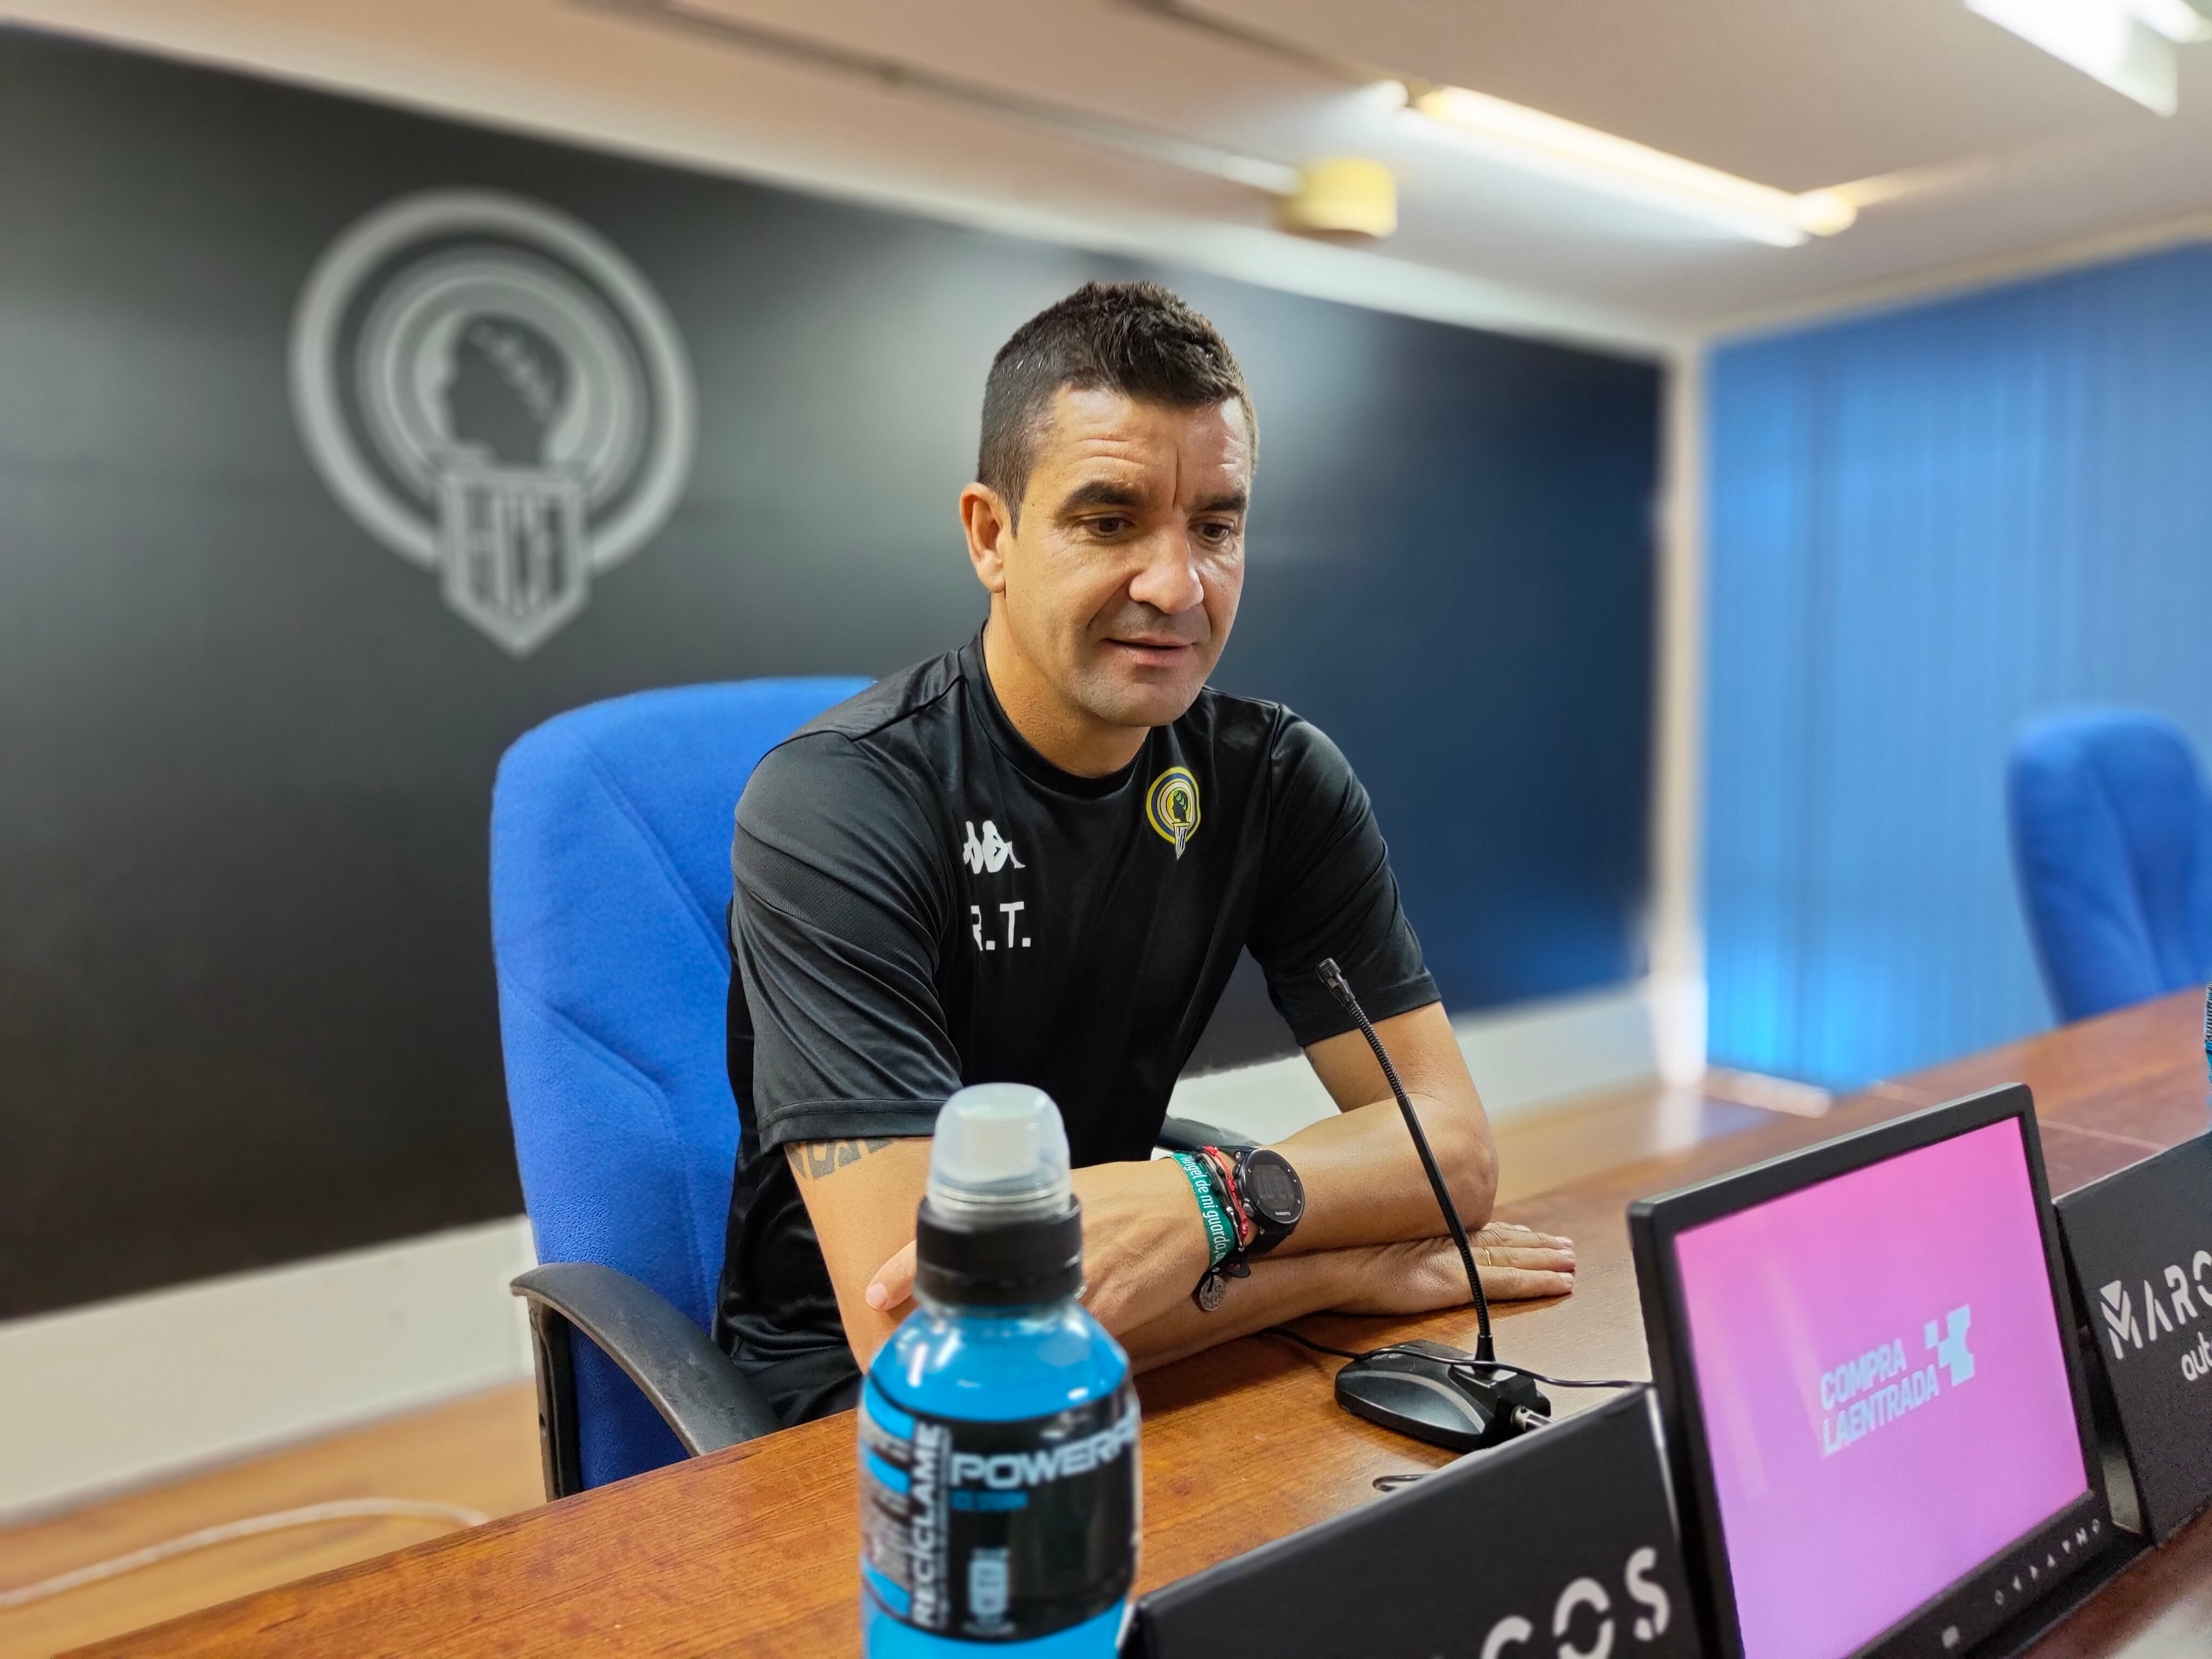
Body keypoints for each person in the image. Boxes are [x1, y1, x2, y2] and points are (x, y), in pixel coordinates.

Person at [717, 280, 1576, 1425]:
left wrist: (1202, 1211)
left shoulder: (1273, 779)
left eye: (1215, 526)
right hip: (860, 1415)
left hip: (1150, 1317)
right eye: (1108, 520)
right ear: (991, 535)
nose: (1176, 587)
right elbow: (931, 1337)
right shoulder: (838, 801)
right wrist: (1334, 1268)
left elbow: (1452, 1156)